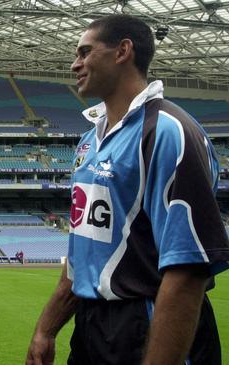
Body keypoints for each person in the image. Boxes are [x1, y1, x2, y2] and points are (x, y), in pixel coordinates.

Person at [26, 14, 229, 365]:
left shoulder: (169, 132)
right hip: (91, 327)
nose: (75, 64)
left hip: (147, 324)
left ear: (122, 51)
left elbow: (188, 271)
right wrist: (47, 328)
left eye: (85, 52)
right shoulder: (89, 143)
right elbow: (82, 252)